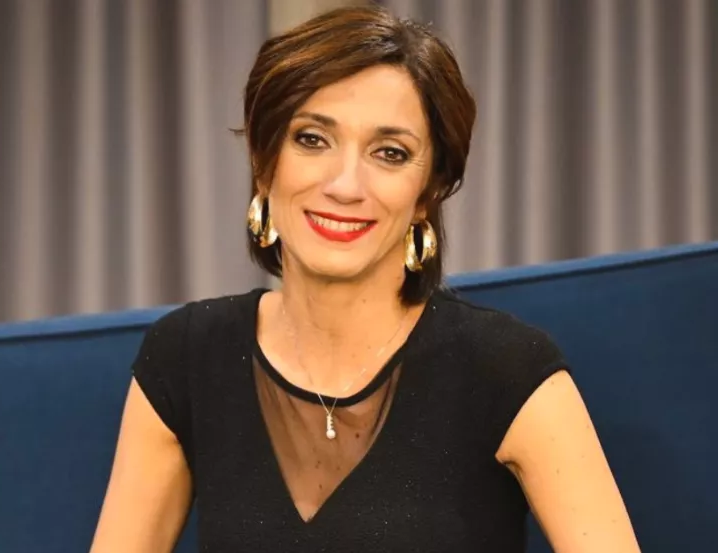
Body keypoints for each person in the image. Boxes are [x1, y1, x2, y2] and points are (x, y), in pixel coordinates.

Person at [90, 6, 640, 552]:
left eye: (390, 153)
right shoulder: (185, 358)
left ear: (428, 192)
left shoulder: (509, 371)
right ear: (263, 160)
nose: (345, 185)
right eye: (312, 139)